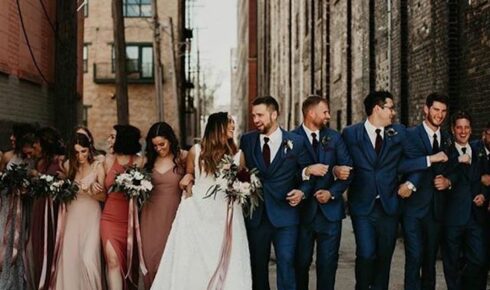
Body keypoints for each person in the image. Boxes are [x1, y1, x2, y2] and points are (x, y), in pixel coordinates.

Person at [151, 112, 251, 290]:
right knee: (194, 259)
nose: (233, 127)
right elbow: (190, 174)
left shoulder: (238, 155)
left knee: (229, 258)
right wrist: (187, 183)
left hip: (226, 213)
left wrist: (243, 188)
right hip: (198, 212)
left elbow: (242, 180)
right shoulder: (196, 151)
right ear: (218, 126)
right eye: (230, 123)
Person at [341, 91, 428, 290]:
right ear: (377, 109)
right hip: (362, 205)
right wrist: (337, 171)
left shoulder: (399, 132)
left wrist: (410, 184)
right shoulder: (351, 133)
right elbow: (341, 161)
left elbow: (417, 160)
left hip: (389, 205)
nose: (394, 112)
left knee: (384, 256)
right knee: (366, 253)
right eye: (390, 107)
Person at [240, 96, 313, 290]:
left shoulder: (296, 142)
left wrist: (302, 192)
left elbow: (307, 173)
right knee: (258, 267)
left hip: (286, 215)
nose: (255, 119)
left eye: (260, 115)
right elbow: (240, 171)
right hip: (257, 216)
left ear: (273, 114)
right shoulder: (246, 141)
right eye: (253, 115)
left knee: (287, 264)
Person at [292, 96, 353, 290]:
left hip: (330, 213)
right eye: (325, 112)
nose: (328, 116)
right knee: (300, 264)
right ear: (311, 113)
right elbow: (287, 174)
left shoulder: (335, 137)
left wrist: (332, 193)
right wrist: (306, 171)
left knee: (328, 266)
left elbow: (347, 170)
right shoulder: (291, 139)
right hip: (302, 213)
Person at [398, 93, 452, 290]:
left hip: (436, 210)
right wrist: (431, 159)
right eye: (436, 109)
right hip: (413, 209)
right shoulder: (410, 135)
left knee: (430, 262)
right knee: (414, 257)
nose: (440, 115)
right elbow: (401, 165)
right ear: (426, 109)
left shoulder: (447, 138)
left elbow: (453, 168)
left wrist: (448, 182)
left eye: (444, 111)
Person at [441, 111, 488, 290]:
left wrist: (483, 194)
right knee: (452, 264)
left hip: (475, 217)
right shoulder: (446, 152)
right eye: (459, 127)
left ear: (471, 129)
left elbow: (485, 177)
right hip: (452, 217)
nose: (463, 131)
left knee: (479, 259)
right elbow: (441, 171)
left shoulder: (478, 150)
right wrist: (458, 160)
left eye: (466, 127)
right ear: (453, 129)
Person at [52, 133, 104, 289]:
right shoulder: (68, 165)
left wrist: (90, 191)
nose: (80, 156)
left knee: (89, 259)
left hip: (91, 214)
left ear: (89, 149)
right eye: (76, 152)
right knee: (70, 257)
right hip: (72, 213)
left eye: (84, 151)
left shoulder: (97, 166)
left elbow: (103, 197)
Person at [140, 122, 187, 289]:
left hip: (174, 215)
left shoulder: (183, 157)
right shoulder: (146, 162)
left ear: (170, 140)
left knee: (170, 259)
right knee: (150, 259)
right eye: (154, 145)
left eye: (162, 144)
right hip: (150, 217)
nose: (159, 148)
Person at [100, 125, 145, 290]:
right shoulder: (108, 160)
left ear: (123, 138)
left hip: (131, 220)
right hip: (109, 218)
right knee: (112, 260)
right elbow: (101, 187)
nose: (109, 140)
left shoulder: (139, 161)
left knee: (130, 263)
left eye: (113, 136)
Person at [21, 127, 65, 289]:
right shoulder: (40, 163)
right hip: (39, 208)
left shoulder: (60, 161)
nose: (35, 146)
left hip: (53, 209)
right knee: (37, 245)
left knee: (51, 244)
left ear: (45, 144)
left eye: (37, 143)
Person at [0, 125, 36, 290]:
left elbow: (33, 187)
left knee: (19, 242)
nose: (11, 138)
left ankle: (17, 282)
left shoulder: (31, 160)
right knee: (4, 240)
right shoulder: (6, 156)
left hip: (23, 207)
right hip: (7, 206)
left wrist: (25, 189)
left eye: (15, 136)